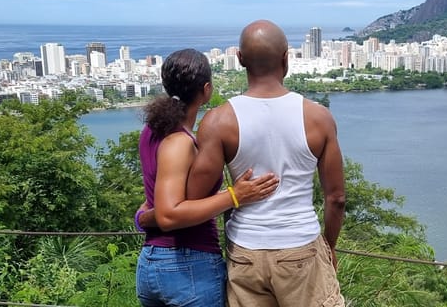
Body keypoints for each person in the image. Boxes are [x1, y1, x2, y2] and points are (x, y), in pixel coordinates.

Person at [187, 20, 346, 307]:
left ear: (239, 59)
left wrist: (235, 194)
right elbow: (336, 198)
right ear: (287, 58)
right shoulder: (318, 117)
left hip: (246, 253)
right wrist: (329, 247)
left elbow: (195, 198)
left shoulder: (218, 121)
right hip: (301, 248)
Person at [133, 48, 279, 307]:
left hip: (152, 264)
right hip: (188, 267)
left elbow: (158, 205)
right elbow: (168, 215)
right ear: (207, 89)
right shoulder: (179, 142)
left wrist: (142, 217)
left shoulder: (151, 131)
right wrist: (235, 195)